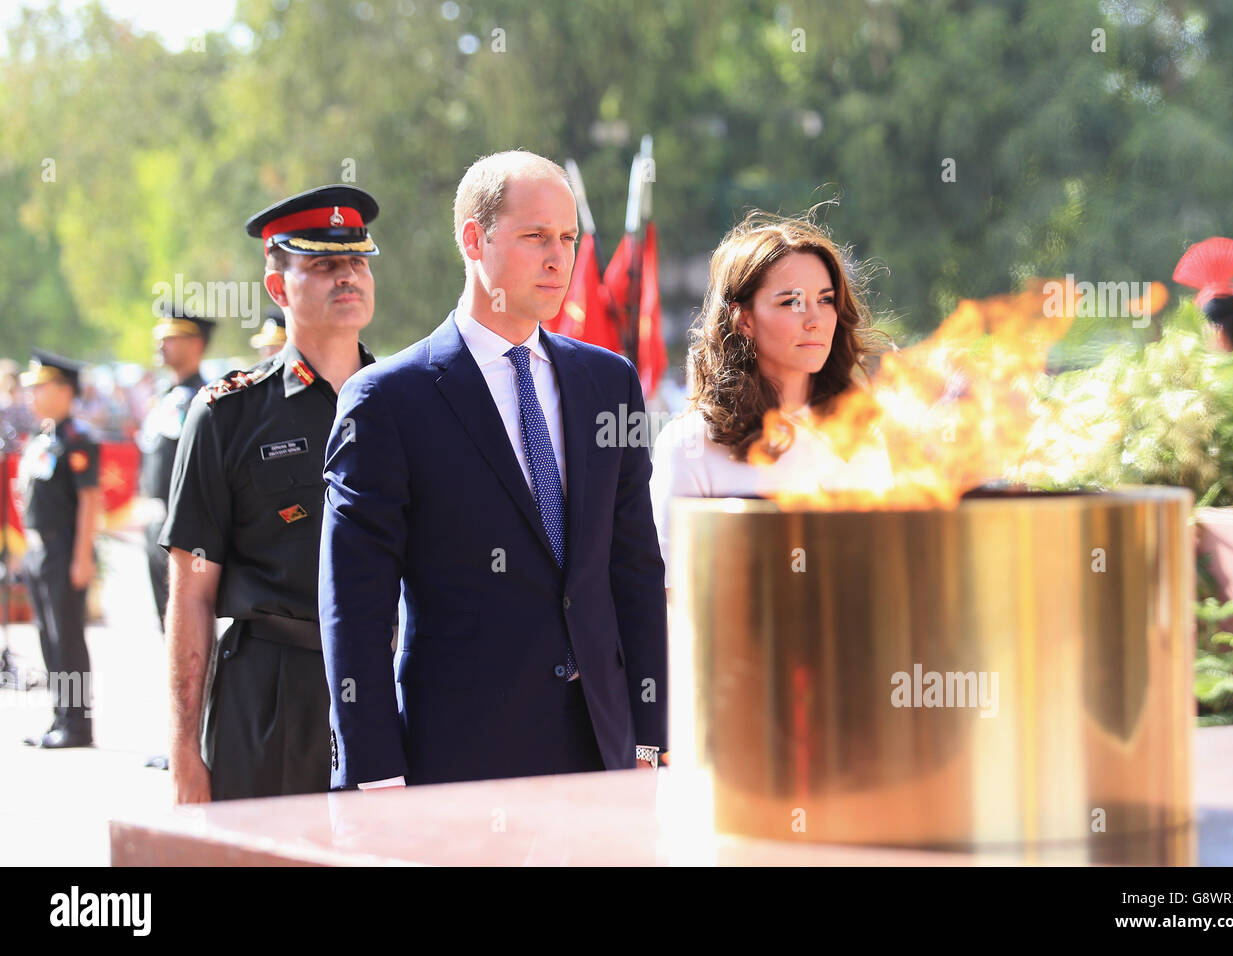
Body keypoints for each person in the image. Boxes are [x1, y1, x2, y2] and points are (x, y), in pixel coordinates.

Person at [319, 150, 667, 790]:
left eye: (566, 238)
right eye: (536, 236)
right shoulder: (387, 401)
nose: (559, 258)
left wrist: (651, 736)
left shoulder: (609, 383)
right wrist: (373, 771)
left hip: (604, 750)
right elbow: (355, 606)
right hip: (460, 760)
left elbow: (634, 568)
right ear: (473, 239)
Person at [159, 185, 379, 803]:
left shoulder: (408, 403)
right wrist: (183, 750)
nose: (348, 277)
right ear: (278, 288)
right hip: (272, 688)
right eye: (323, 264)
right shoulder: (226, 415)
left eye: (358, 261)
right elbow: (192, 593)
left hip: (387, 682)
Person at [649, 212, 892, 588]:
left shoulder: (860, 434)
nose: (815, 319)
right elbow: (670, 597)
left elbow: (884, 574)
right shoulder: (689, 445)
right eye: (791, 302)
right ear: (743, 319)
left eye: (825, 300)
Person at [17, 349, 101, 748]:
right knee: (48, 638)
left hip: (64, 548)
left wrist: (83, 556)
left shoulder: (77, 439)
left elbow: (89, 500)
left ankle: (78, 725)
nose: (31, 394)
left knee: (67, 638)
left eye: (40, 387)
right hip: (38, 550)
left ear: (64, 391)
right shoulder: (43, 438)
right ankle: (60, 718)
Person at [138, 310, 215, 630]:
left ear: (195, 343)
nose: (161, 343)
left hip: (188, 525)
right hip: (157, 522)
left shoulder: (208, 396)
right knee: (166, 622)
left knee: (191, 622)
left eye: (171, 337)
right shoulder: (163, 397)